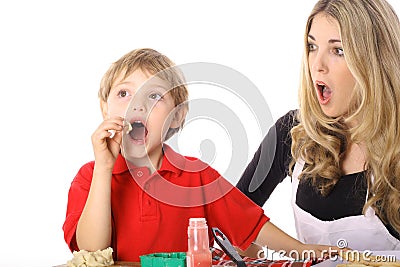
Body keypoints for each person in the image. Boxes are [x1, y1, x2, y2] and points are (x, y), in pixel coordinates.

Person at [63, 48, 335, 262]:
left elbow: (250, 224)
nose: (137, 105)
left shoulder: (197, 176)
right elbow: (90, 250)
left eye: (154, 96)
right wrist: (103, 168)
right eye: (124, 93)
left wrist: (300, 249)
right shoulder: (91, 177)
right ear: (104, 108)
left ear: (176, 115)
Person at [237, 0, 400, 250]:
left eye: (338, 50)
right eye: (312, 47)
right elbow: (230, 222)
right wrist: (294, 253)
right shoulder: (292, 132)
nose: (317, 65)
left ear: (374, 60)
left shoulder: (395, 152)